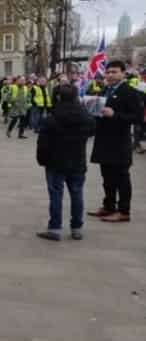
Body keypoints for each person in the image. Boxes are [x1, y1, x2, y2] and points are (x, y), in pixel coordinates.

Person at [36, 84, 95, 241]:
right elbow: (92, 130)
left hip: (56, 162)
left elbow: (42, 142)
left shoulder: (53, 117)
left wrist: (42, 160)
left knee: (56, 195)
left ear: (58, 97)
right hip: (77, 160)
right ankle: (76, 227)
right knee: (77, 194)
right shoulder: (84, 115)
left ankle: (55, 228)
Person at [88, 60, 145, 223]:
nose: (110, 75)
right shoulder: (105, 89)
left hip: (120, 142)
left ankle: (124, 211)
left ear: (123, 73)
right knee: (107, 177)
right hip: (103, 140)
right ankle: (108, 206)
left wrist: (115, 115)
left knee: (121, 177)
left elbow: (138, 118)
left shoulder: (130, 92)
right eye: (108, 72)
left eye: (114, 72)